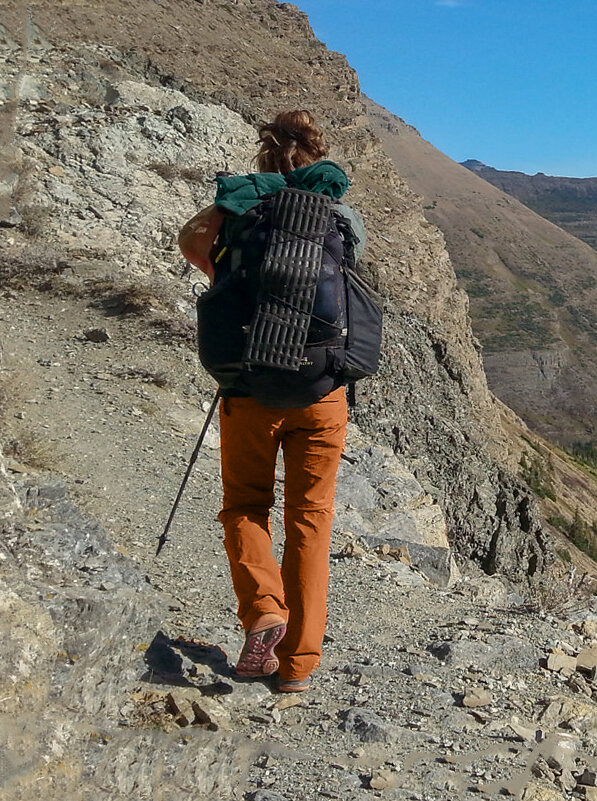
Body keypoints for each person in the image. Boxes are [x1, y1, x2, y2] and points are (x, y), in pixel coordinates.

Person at [180, 110, 366, 692]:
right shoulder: (340, 217)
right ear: (321, 152)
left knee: (244, 506)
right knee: (310, 520)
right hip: (320, 391)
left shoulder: (240, 214)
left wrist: (234, 206)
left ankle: (264, 610)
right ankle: (297, 668)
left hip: (247, 388)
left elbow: (190, 243)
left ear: (262, 158)